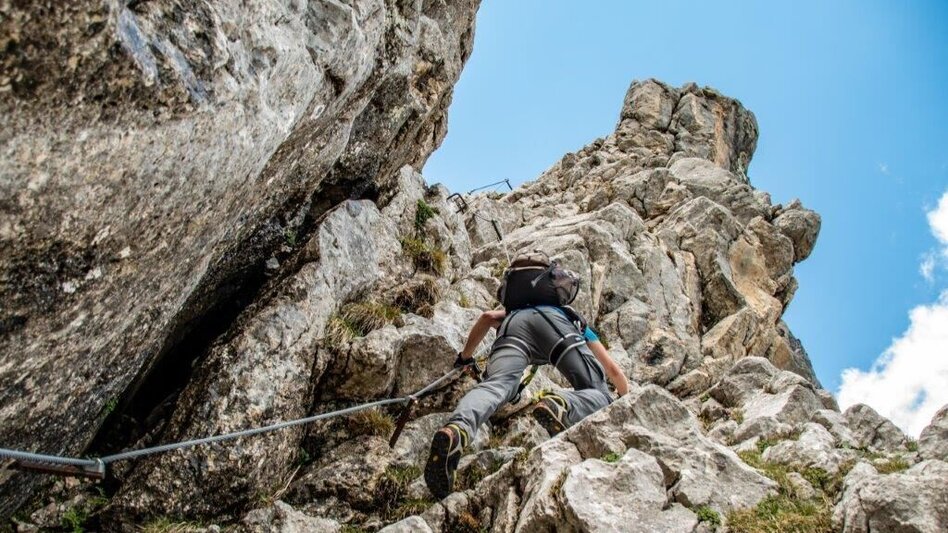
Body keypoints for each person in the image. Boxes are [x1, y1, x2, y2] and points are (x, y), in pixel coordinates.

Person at [423, 298, 630, 498]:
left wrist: (465, 357)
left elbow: (487, 317)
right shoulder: (569, 315)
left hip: (513, 327)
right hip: (556, 327)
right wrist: (628, 403)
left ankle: (457, 430)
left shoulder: (515, 309)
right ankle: (561, 405)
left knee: (496, 385)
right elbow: (613, 370)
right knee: (599, 393)